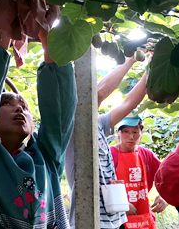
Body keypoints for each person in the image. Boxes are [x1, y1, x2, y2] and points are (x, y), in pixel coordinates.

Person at [0, 31, 77, 228]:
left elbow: (60, 115)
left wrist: (51, 47)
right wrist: (3, 35)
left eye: (24, 107)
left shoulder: (45, 159)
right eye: (6, 104)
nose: (19, 108)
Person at [65, 57, 148, 229]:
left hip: (114, 220)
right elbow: (98, 93)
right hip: (89, 220)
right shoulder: (70, 123)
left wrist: (152, 67)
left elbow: (129, 103)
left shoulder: (99, 123)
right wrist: (130, 60)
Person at [111, 116, 167, 229]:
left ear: (141, 134)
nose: (131, 137)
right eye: (126, 131)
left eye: (135, 132)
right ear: (118, 134)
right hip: (116, 218)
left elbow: (168, 176)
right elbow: (100, 185)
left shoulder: (147, 155)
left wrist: (165, 197)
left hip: (142, 214)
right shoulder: (110, 154)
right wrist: (121, 204)